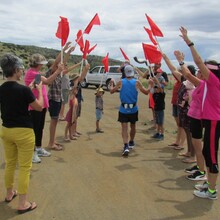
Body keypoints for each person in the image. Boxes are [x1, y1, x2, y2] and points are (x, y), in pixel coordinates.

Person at [175, 26, 220, 200]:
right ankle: (209, 185)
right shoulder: (207, 84)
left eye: (204, 70)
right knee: (209, 154)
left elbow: (199, 62)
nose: (201, 71)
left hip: (213, 122)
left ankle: (211, 191)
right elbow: (188, 72)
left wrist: (189, 42)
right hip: (210, 122)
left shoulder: (214, 82)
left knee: (211, 157)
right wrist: (180, 61)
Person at [0, 54, 43, 213]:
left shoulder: (2, 88)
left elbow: (14, 97)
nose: (23, 71)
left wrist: (30, 89)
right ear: (17, 70)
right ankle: (23, 203)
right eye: (21, 69)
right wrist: (38, 91)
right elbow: (39, 106)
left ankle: (9, 192)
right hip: (23, 132)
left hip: (6, 130)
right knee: (25, 167)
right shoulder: (24, 90)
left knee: (10, 163)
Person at [24, 53, 64, 163]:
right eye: (41, 63)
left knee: (39, 128)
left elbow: (53, 65)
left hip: (40, 105)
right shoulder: (33, 74)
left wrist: (64, 51)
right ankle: (32, 153)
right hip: (35, 106)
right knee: (34, 130)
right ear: (38, 64)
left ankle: (38, 148)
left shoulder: (35, 73)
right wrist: (57, 71)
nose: (42, 65)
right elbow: (48, 81)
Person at [110, 65, 150, 156]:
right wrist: (151, 85)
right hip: (133, 109)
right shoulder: (137, 82)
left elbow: (111, 91)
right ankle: (131, 141)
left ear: (125, 72)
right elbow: (146, 92)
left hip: (123, 109)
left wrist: (111, 83)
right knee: (133, 126)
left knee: (124, 128)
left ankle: (126, 146)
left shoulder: (121, 82)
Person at [45, 42, 73, 150]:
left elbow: (63, 62)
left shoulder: (58, 72)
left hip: (57, 99)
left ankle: (52, 141)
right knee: (54, 121)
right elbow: (57, 61)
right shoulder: (51, 72)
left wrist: (68, 53)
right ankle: (51, 143)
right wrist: (64, 49)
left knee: (55, 122)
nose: (60, 64)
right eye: (57, 65)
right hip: (53, 100)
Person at [71, 61, 90, 138]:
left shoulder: (78, 82)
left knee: (76, 117)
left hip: (78, 101)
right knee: (74, 117)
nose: (80, 78)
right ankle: (72, 132)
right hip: (74, 101)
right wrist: (85, 69)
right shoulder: (72, 84)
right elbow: (73, 92)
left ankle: (74, 131)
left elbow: (82, 76)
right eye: (77, 78)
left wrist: (86, 68)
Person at [64, 75, 79, 141]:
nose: (76, 91)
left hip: (73, 113)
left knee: (70, 125)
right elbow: (74, 87)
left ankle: (70, 136)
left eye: (77, 90)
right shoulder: (72, 96)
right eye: (75, 90)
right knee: (68, 125)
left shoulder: (75, 98)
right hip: (70, 113)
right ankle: (65, 136)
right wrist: (76, 81)